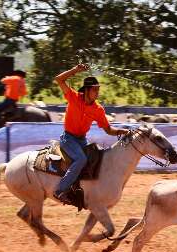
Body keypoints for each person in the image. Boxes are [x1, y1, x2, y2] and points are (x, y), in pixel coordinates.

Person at [53, 63, 129, 204]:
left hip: (82, 140)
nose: (97, 93)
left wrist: (121, 131)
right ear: (86, 90)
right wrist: (76, 70)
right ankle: (60, 190)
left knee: (97, 158)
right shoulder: (73, 97)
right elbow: (58, 79)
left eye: (98, 90)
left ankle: (84, 191)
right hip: (68, 138)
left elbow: (108, 130)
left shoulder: (98, 109)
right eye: (95, 90)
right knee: (81, 159)